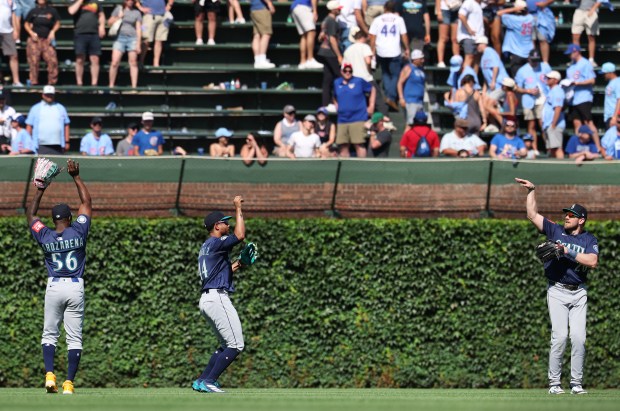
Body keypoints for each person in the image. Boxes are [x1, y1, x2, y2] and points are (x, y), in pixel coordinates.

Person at [514, 178, 598, 396]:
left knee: (579, 338)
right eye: (566, 214)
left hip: (579, 293)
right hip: (557, 291)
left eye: (571, 215)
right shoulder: (555, 231)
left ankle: (576, 384)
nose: (566, 217)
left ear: (581, 220)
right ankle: (554, 384)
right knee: (560, 337)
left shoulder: (589, 239)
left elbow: (592, 261)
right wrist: (531, 191)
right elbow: (532, 215)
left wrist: (567, 251)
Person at [27, 159, 93, 395]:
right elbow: (86, 202)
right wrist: (75, 176)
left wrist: (40, 189)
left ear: (54, 220)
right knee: (74, 338)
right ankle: (68, 384)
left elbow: (31, 215)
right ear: (69, 218)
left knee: (50, 333)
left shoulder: (44, 235)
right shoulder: (79, 230)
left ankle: (49, 375)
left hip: (54, 286)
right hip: (75, 286)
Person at [191, 196, 246, 394]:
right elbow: (240, 236)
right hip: (217, 298)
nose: (228, 224)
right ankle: (210, 380)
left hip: (207, 298)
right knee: (236, 345)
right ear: (217, 226)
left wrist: (239, 264)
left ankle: (202, 380)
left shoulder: (206, 247)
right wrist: (238, 207)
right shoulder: (216, 243)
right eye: (225, 222)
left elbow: (220, 273)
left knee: (225, 344)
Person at [368, 0, 409, 111]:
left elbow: (372, 36)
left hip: (381, 50)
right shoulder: (399, 19)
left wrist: (372, 50)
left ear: (385, 8)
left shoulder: (377, 20)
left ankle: (388, 95)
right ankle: (390, 97)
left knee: (386, 73)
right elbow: (403, 35)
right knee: (395, 75)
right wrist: (407, 48)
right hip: (394, 50)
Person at [343, 27, 388, 115]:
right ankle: (385, 121)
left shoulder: (348, 50)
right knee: (379, 102)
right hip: (366, 79)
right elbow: (368, 61)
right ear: (362, 38)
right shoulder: (365, 47)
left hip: (354, 80)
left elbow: (344, 67)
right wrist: (369, 69)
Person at [333, 62, 376, 157]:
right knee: (343, 145)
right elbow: (334, 96)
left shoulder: (359, 81)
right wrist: (336, 104)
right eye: (345, 70)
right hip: (342, 119)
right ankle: (345, 168)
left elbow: (372, 89)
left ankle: (361, 167)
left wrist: (371, 105)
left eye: (350, 71)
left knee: (359, 144)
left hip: (358, 118)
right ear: (341, 71)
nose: (348, 72)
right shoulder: (337, 83)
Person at [565, 44, 600, 153]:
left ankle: (598, 148)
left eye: (570, 53)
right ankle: (578, 148)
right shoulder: (570, 67)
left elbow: (592, 80)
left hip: (584, 97)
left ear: (576, 52)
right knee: (576, 123)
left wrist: (578, 83)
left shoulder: (585, 64)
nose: (569, 56)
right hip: (573, 99)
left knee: (588, 122)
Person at [514, 49, 552, 153]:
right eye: (533, 60)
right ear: (529, 59)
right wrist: (528, 90)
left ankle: (549, 147)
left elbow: (551, 81)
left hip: (543, 98)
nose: (535, 62)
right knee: (531, 125)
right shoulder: (522, 71)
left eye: (536, 60)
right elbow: (516, 87)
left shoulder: (545, 67)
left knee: (543, 123)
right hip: (528, 100)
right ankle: (534, 149)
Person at [68, 0, 105, 87]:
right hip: (80, 33)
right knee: (80, 59)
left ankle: (94, 83)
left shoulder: (96, 2)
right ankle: (79, 83)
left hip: (94, 33)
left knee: (95, 58)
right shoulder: (75, 2)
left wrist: (102, 26)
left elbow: (101, 15)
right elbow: (71, 11)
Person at [26, 86, 70, 155]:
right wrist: (28, 143)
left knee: (56, 165)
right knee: (42, 165)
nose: (49, 96)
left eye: (51, 94)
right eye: (47, 94)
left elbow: (66, 125)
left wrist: (67, 141)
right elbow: (29, 126)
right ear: (43, 95)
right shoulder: (35, 108)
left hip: (58, 145)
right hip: (40, 145)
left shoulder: (61, 108)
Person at [24, 0, 60, 86]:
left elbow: (58, 23)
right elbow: (26, 24)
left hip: (47, 39)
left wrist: (53, 31)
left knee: (52, 61)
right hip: (35, 39)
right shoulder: (33, 11)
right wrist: (31, 33)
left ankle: (52, 83)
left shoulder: (52, 11)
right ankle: (34, 82)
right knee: (34, 61)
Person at [108, 0, 142, 89]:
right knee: (114, 62)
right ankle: (111, 85)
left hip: (132, 38)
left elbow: (139, 29)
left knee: (133, 62)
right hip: (119, 38)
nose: (130, 1)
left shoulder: (137, 12)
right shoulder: (119, 9)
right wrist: (118, 17)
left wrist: (138, 44)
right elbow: (109, 22)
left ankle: (134, 87)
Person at [497, 0, 534, 77]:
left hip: (516, 53)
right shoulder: (530, 18)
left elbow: (499, 13)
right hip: (528, 53)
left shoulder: (513, 19)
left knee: (518, 78)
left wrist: (513, 9)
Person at [317, 1, 343, 107]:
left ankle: (326, 104)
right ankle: (335, 101)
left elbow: (320, 37)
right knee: (340, 76)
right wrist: (339, 56)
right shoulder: (332, 21)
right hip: (330, 52)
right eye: (338, 8)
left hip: (324, 51)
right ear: (333, 9)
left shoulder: (326, 20)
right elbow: (332, 39)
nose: (340, 10)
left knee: (327, 79)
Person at [137, 0, 172, 66]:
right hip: (148, 16)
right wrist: (140, 7)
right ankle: (141, 61)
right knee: (145, 39)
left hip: (162, 15)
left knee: (159, 41)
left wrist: (169, 5)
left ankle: (156, 64)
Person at [397, 49, 425, 131]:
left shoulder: (421, 69)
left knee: (417, 125)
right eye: (421, 59)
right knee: (410, 124)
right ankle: (404, 143)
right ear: (415, 59)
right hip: (411, 100)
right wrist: (401, 98)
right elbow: (400, 83)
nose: (423, 60)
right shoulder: (408, 68)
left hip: (419, 101)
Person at [291, 0, 323, 69]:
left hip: (295, 7)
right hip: (303, 7)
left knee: (304, 35)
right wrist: (315, 11)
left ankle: (303, 62)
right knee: (311, 32)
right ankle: (310, 59)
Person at [542, 71, 565, 159]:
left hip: (554, 124)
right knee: (552, 149)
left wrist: (553, 124)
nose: (547, 80)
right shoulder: (551, 91)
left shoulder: (557, 91)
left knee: (557, 148)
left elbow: (558, 108)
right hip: (549, 124)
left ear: (555, 80)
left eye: (549, 78)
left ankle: (562, 169)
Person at [0, 0, 23, 86]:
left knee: (14, 55)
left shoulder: (10, 1)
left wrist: (15, 29)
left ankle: (16, 81)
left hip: (8, 30)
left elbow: (13, 14)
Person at [571, 0, 601, 67]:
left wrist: (593, 9)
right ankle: (576, 59)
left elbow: (601, 1)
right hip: (579, 11)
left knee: (591, 37)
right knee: (575, 36)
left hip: (592, 11)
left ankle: (591, 60)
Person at [457, 0, 484, 68]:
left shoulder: (479, 5)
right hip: (469, 37)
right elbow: (461, 15)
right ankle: (464, 78)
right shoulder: (469, 2)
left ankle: (474, 78)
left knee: (476, 61)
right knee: (469, 57)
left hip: (478, 38)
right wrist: (469, 29)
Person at [250, 0, 276, 69]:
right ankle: (262, 59)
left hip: (254, 8)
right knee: (266, 34)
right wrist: (269, 3)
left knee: (257, 35)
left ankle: (257, 60)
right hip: (261, 8)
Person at [435, 0, 460, 68]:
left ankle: (457, 60)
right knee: (443, 38)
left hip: (457, 8)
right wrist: (439, 11)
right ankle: (440, 61)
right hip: (444, 9)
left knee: (455, 39)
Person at [601, 62, 620, 129]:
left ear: (610, 72)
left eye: (604, 73)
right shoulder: (611, 83)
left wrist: (615, 117)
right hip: (609, 117)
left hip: (614, 117)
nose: (603, 75)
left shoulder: (618, 82)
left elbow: (619, 100)